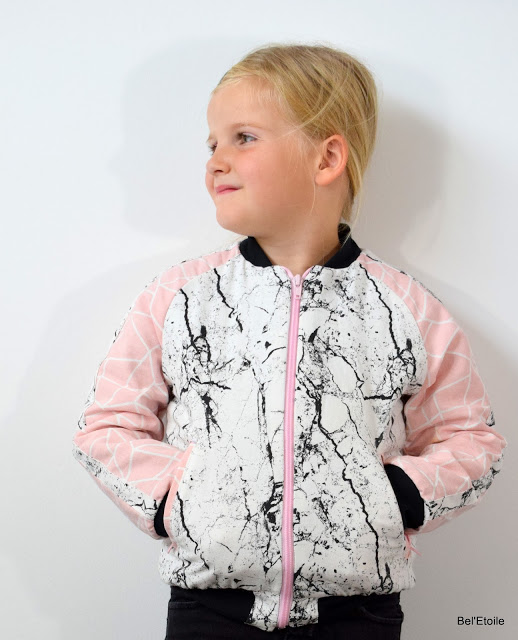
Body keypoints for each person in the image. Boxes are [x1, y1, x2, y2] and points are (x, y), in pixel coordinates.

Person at [72, 42, 507, 639]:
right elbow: (106, 425)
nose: (216, 161)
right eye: (212, 144)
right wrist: (178, 500)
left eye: (243, 138)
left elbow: (471, 438)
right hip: (209, 611)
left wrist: (395, 497)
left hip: (359, 616)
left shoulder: (408, 309)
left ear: (327, 158)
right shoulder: (180, 298)